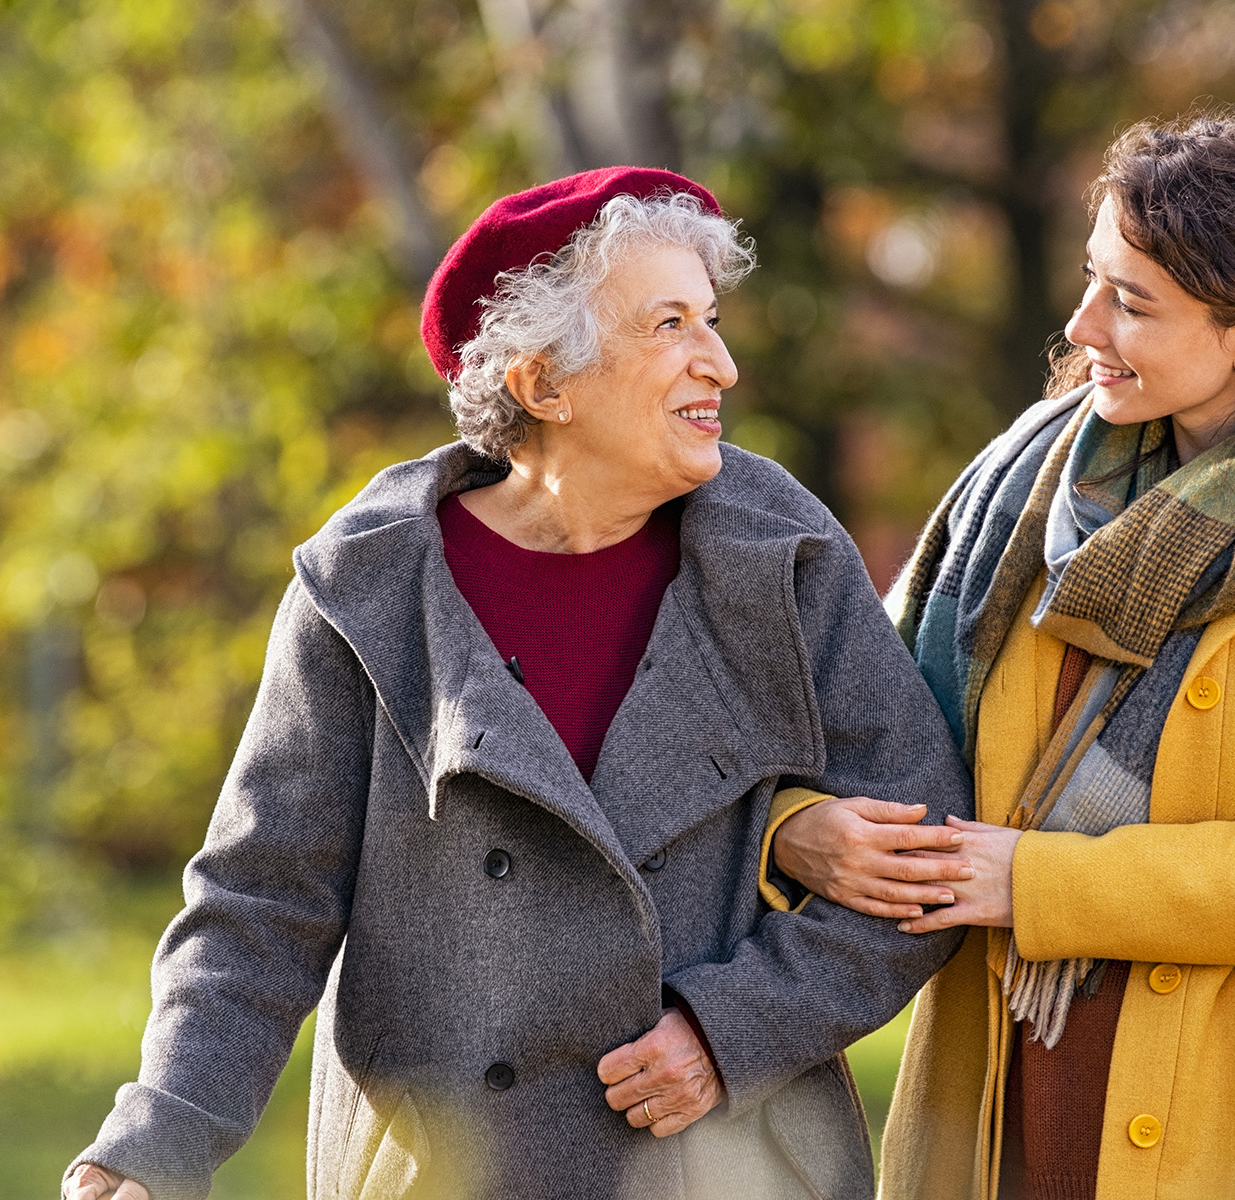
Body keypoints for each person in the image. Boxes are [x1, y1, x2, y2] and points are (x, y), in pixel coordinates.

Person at [62, 168, 972, 1200]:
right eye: (669, 325)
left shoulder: (784, 555)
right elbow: (262, 902)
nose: (717, 361)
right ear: (545, 386)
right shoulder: (367, 591)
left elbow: (922, 852)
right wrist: (155, 1145)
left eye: (710, 321)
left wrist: (735, 1029)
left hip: (725, 1162)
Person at [765, 108, 1235, 1199]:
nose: (1082, 325)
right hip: (995, 1120)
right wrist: (800, 833)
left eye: (1130, 303)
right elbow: (843, 737)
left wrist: (1035, 883)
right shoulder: (1023, 498)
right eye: (1092, 281)